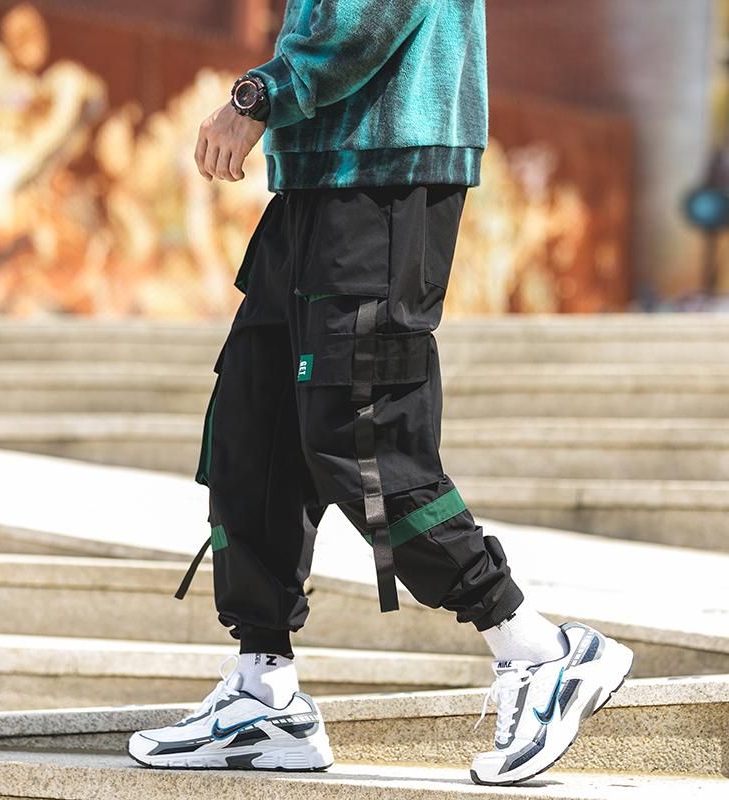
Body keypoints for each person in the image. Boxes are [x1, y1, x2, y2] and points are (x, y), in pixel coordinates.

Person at [128, 0, 633, 785]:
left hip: (387, 184)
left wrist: (258, 96)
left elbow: (367, 18)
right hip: (316, 180)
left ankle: (538, 650)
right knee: (253, 427)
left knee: (359, 434)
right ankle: (264, 691)